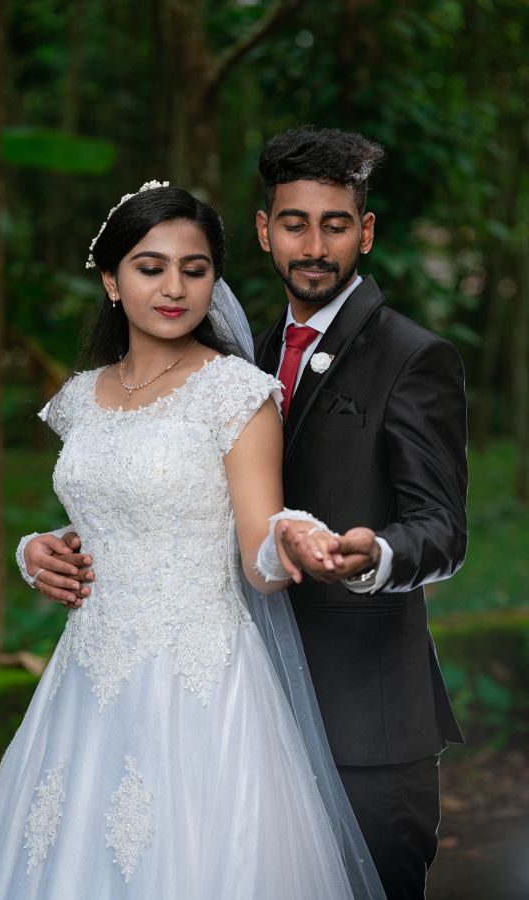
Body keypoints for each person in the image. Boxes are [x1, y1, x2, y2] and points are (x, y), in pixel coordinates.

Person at [26, 128, 468, 899]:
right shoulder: (245, 359)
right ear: (267, 232)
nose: (314, 244)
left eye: (336, 224)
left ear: (365, 233)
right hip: (223, 702)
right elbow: (177, 498)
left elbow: (441, 526)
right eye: (295, 222)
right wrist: (48, 544)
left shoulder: (412, 355)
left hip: (363, 713)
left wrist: (374, 555)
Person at [0, 183, 386, 899]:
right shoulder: (78, 399)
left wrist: (295, 541)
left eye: (195, 268)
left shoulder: (235, 394)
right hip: (86, 681)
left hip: (198, 682)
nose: (174, 287)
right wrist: (34, 549)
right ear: (111, 281)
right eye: (150, 267)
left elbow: (256, 550)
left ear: (215, 279)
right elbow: (113, 511)